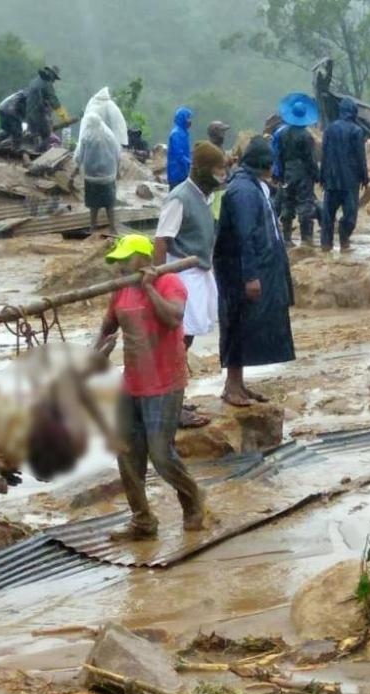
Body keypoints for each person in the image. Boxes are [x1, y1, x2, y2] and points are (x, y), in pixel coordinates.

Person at [96, 235, 207, 539]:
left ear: (143, 258)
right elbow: (108, 327)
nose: (119, 266)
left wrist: (148, 288)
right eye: (116, 261)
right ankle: (142, 520)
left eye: (125, 260)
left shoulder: (169, 282)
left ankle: (193, 498)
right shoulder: (120, 291)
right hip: (131, 382)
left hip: (164, 383)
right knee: (126, 452)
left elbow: (174, 318)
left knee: (160, 454)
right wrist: (96, 354)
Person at [213, 137, 295, 407]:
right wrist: (250, 276)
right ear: (265, 165)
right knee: (238, 325)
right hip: (240, 273)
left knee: (248, 327)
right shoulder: (244, 192)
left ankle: (238, 384)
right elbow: (245, 236)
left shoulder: (253, 186)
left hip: (256, 268)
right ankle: (231, 387)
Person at [154, 142, 228, 427]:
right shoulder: (180, 198)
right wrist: (161, 281)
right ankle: (170, 407)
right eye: (217, 169)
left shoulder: (205, 196)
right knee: (177, 341)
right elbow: (161, 240)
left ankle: (175, 400)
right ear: (201, 170)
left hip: (199, 272)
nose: (222, 175)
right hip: (182, 275)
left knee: (186, 340)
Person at [320, 97, 368, 252]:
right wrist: (364, 176)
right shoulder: (357, 131)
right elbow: (360, 156)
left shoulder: (329, 128)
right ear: (353, 112)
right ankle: (344, 239)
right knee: (350, 214)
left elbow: (324, 154)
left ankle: (326, 245)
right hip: (350, 180)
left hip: (331, 179)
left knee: (328, 214)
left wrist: (322, 176)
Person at [274, 93, 320, 247]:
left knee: (287, 202)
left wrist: (280, 175)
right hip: (303, 174)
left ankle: (286, 238)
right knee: (305, 204)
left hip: (287, 172)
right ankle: (306, 239)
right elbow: (310, 159)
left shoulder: (282, 134)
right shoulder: (307, 137)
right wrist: (316, 175)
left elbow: (278, 156)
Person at [76, 108, 122, 234]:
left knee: (93, 204)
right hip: (108, 176)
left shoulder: (87, 135)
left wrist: (77, 167)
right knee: (109, 204)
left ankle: (93, 227)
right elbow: (118, 154)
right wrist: (118, 171)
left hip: (92, 177)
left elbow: (79, 155)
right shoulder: (109, 135)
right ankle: (113, 228)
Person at [25, 65, 62, 150]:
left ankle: (29, 151)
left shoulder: (35, 81)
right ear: (51, 75)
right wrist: (64, 117)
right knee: (47, 135)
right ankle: (38, 153)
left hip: (28, 112)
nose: (54, 81)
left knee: (33, 134)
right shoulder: (47, 83)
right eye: (54, 78)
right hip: (37, 114)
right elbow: (55, 102)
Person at [167, 106, 194, 189]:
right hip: (176, 173)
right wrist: (190, 163)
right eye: (188, 118)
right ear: (182, 118)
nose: (190, 121)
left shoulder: (184, 133)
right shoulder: (176, 134)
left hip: (183, 172)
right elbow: (179, 155)